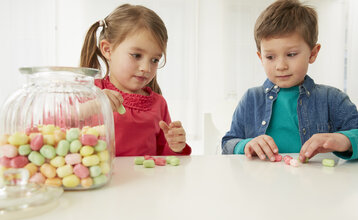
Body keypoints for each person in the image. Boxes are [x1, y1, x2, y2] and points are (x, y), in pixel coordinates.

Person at [222, 0, 358, 162]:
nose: (281, 66)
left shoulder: (333, 99)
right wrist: (245, 145)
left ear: (313, 53)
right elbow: (227, 144)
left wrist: (345, 140)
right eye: (270, 57)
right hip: (260, 184)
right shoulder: (251, 99)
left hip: (317, 185)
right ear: (260, 57)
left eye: (291, 54)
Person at [80, 4, 191, 156]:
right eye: (136, 55)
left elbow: (164, 157)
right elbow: (54, 128)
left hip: (147, 180)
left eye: (154, 60)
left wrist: (175, 146)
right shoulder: (90, 92)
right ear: (107, 50)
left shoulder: (159, 104)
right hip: (103, 178)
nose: (146, 67)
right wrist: (87, 109)